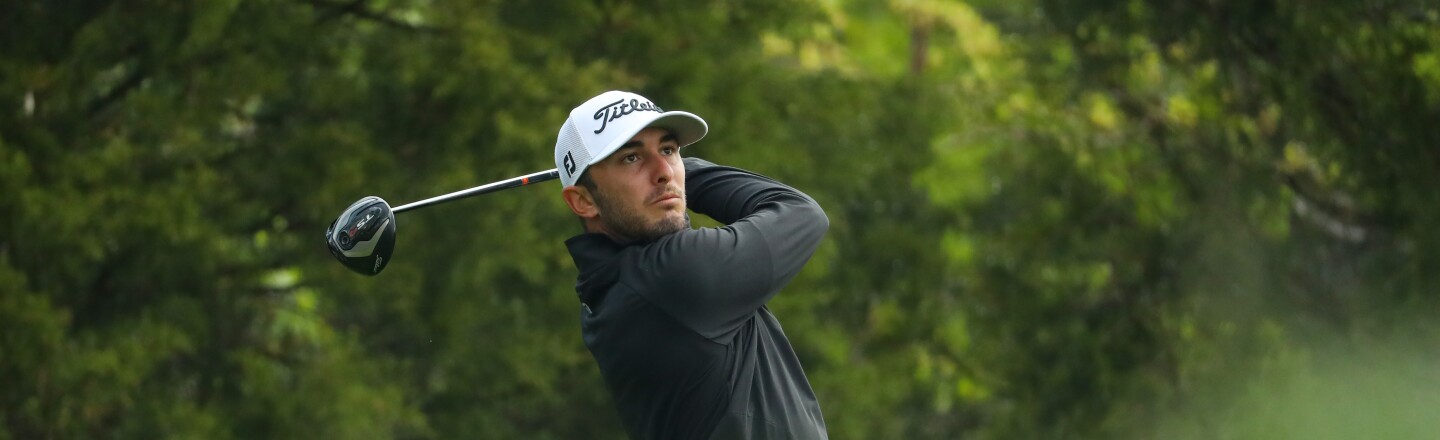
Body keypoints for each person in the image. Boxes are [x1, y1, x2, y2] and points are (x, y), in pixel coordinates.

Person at [554, 90, 830, 440]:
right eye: (630, 158)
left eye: (668, 150)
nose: (663, 171)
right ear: (583, 200)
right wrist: (683, 178)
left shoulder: (610, 288)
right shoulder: (675, 276)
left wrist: (666, 179)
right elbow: (800, 213)